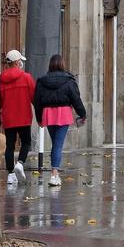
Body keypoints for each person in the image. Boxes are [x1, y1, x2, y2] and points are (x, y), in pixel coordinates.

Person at [33, 54, 86, 187]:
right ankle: (54, 174)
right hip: (63, 112)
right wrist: (82, 114)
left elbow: (37, 101)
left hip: (48, 113)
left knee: (55, 143)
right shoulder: (69, 80)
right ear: (62, 64)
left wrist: (39, 118)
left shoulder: (41, 81)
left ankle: (54, 172)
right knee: (58, 144)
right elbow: (76, 99)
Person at [0, 49, 35, 186]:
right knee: (26, 142)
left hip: (9, 118)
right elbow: (33, 97)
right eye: (20, 61)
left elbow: (0, 101)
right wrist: (39, 115)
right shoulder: (26, 77)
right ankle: (20, 163)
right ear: (17, 62)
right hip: (24, 117)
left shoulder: (2, 80)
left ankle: (10, 174)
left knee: (10, 146)